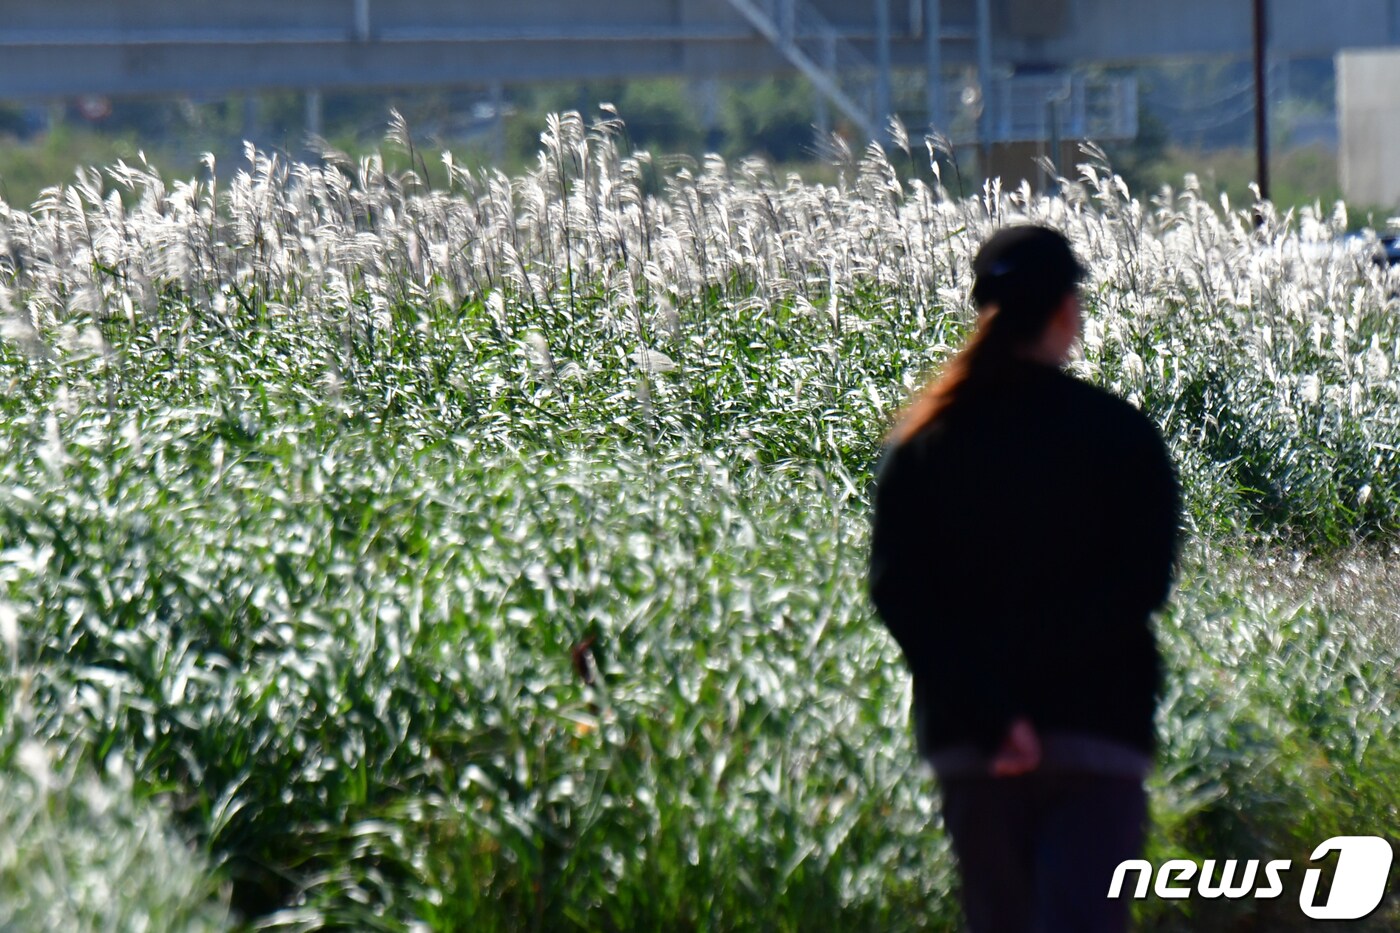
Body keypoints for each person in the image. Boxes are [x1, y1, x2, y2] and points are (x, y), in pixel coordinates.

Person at [868, 224, 1179, 932]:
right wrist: (1044, 698)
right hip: (1095, 731)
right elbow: (1141, 585)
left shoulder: (923, 445)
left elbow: (900, 594)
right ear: (1068, 311)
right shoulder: (1121, 435)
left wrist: (997, 715)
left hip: (974, 746)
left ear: (985, 313)